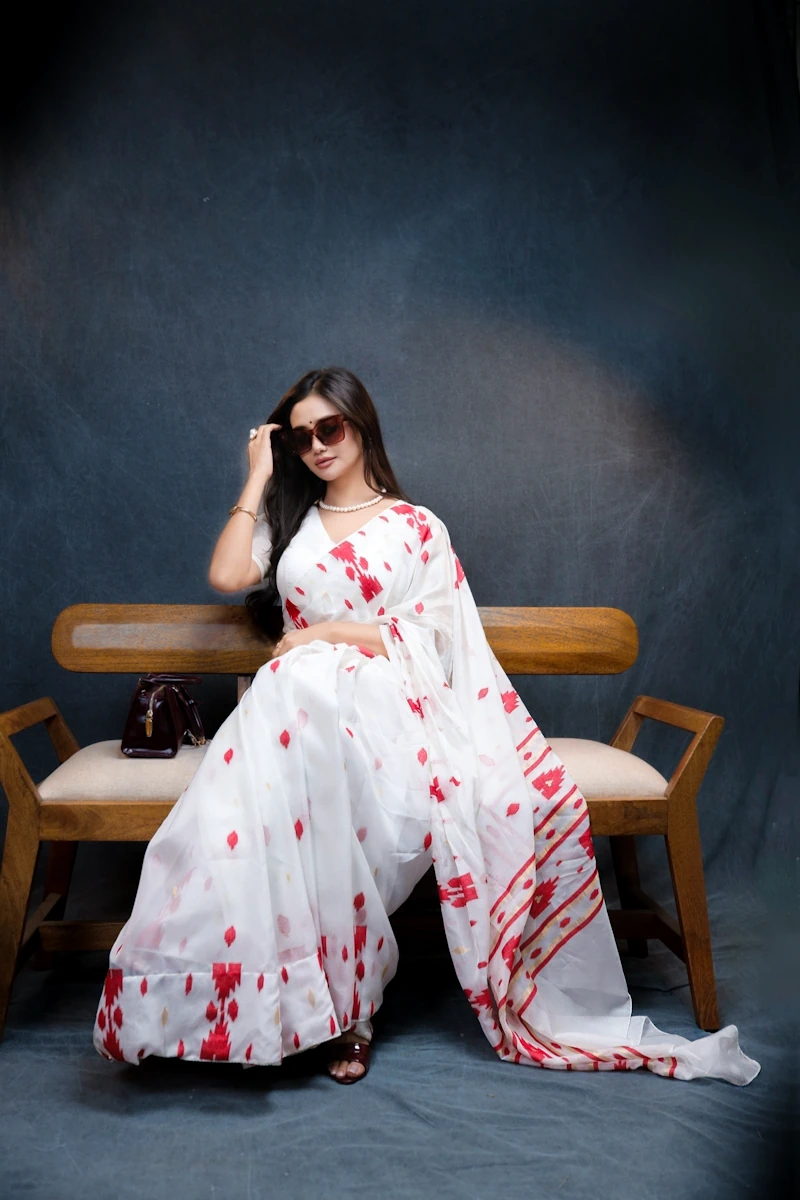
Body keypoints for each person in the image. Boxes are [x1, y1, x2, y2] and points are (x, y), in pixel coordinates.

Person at [93, 367, 760, 1086]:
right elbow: (227, 575)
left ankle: (349, 1008)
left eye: (329, 428)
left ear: (359, 425)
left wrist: (325, 635)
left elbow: (433, 641)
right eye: (301, 437)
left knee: (312, 722)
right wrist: (258, 474)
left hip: (388, 710)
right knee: (286, 738)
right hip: (295, 718)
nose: (317, 446)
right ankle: (279, 1009)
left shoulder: (416, 528)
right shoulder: (290, 526)